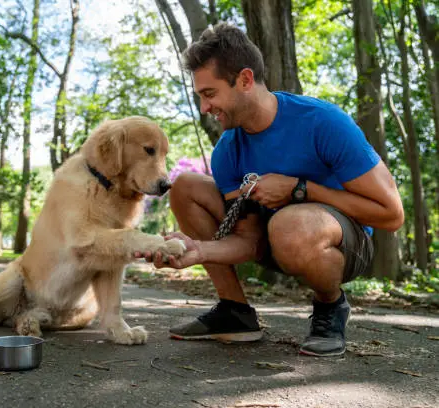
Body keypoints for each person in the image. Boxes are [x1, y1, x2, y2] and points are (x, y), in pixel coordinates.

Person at [136, 23, 404, 357]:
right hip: (275, 238)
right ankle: (235, 312)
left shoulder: (322, 122)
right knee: (186, 186)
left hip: (344, 243)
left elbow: (391, 214)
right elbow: (249, 241)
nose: (205, 108)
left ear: (245, 80)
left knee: (290, 224)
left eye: (210, 94)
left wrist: (301, 189)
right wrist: (199, 251)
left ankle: (330, 306)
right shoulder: (228, 150)